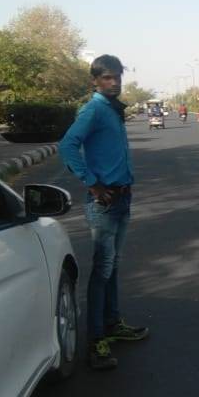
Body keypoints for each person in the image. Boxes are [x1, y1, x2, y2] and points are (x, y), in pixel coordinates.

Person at [60, 54, 149, 370]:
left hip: (122, 198)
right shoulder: (94, 109)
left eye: (118, 76)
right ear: (95, 80)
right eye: (108, 77)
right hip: (105, 201)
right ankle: (96, 341)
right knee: (102, 270)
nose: (115, 82)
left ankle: (113, 324)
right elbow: (67, 146)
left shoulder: (112, 110)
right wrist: (93, 184)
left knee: (112, 266)